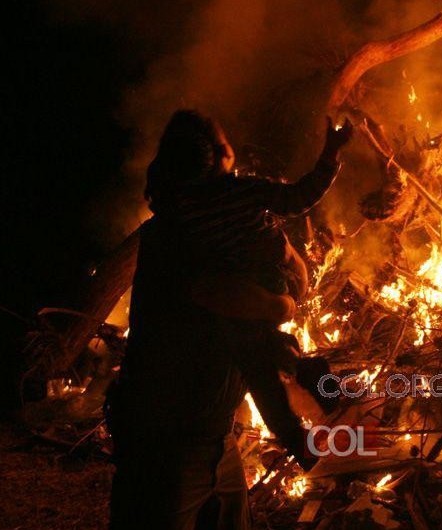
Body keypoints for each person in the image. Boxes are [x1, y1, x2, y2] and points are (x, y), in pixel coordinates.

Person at [108, 110, 351, 530]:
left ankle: (305, 415)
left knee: (265, 358)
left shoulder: (192, 211)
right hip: (167, 446)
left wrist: (286, 274)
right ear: (219, 155)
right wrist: (283, 305)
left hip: (216, 439)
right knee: (265, 356)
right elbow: (218, 293)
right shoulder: (173, 234)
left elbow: (287, 263)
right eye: (225, 143)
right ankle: (303, 423)